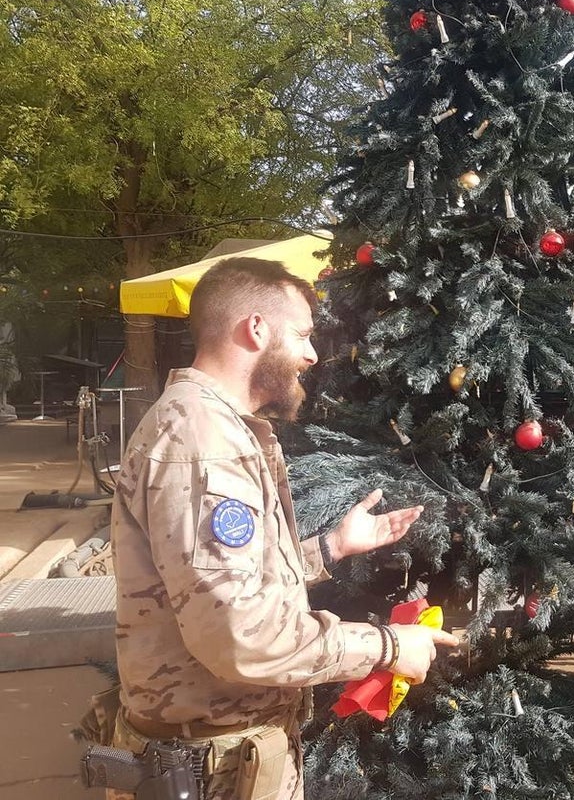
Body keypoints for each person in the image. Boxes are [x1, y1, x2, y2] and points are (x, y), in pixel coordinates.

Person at [103, 257, 459, 800]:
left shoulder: (209, 426)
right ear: (256, 328)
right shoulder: (204, 444)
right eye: (302, 334)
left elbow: (221, 583)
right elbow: (241, 635)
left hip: (221, 758)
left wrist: (330, 547)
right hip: (211, 771)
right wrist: (388, 647)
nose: (312, 355)